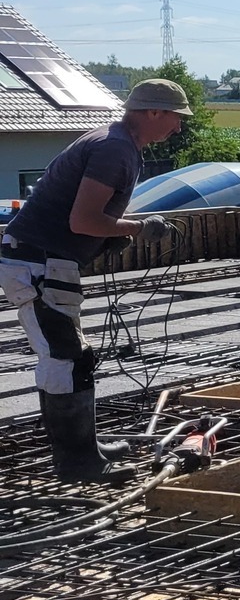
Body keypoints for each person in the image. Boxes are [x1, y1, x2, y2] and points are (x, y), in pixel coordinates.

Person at [0, 79, 186, 482]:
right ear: (153, 112)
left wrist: (108, 237)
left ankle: (84, 448)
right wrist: (135, 229)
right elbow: (83, 220)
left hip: (43, 261)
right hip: (38, 264)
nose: (177, 128)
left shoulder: (114, 142)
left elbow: (83, 221)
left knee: (73, 358)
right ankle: (76, 462)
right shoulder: (114, 149)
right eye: (175, 117)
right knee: (65, 358)